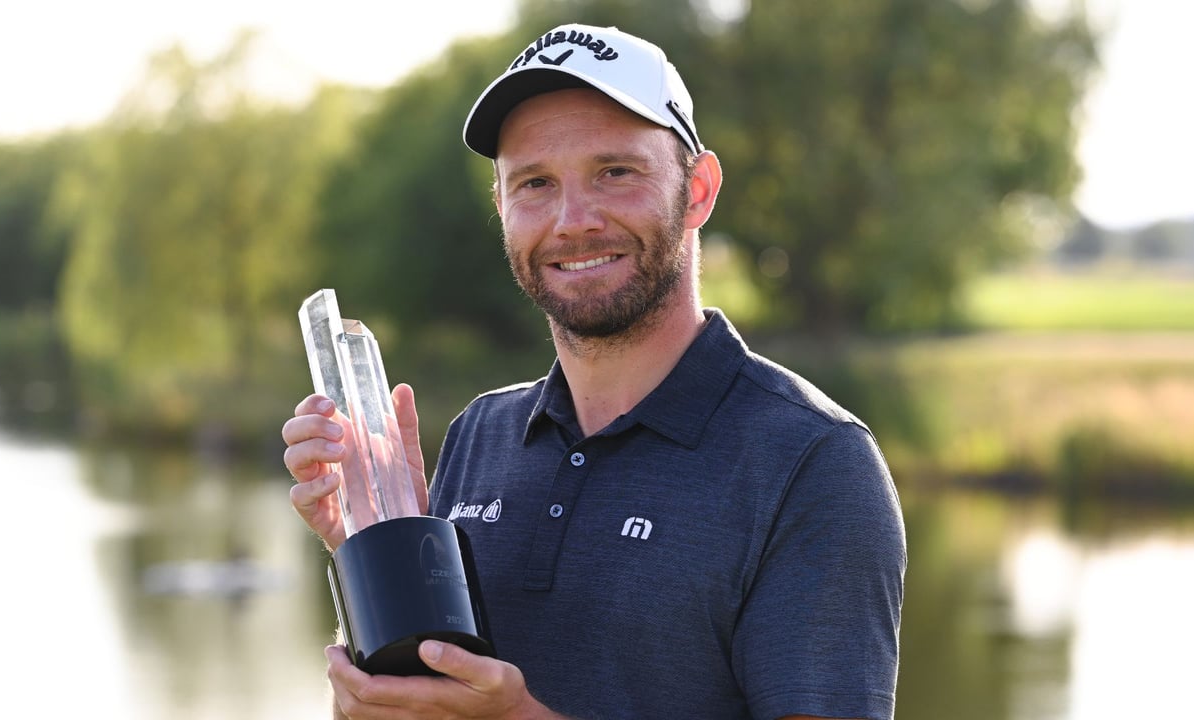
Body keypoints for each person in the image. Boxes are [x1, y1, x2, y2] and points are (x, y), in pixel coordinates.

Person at [282, 22, 906, 720]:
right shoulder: (480, 434)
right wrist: (374, 561)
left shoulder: (814, 462)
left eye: (615, 172)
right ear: (502, 208)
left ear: (697, 190)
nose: (573, 220)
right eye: (535, 183)